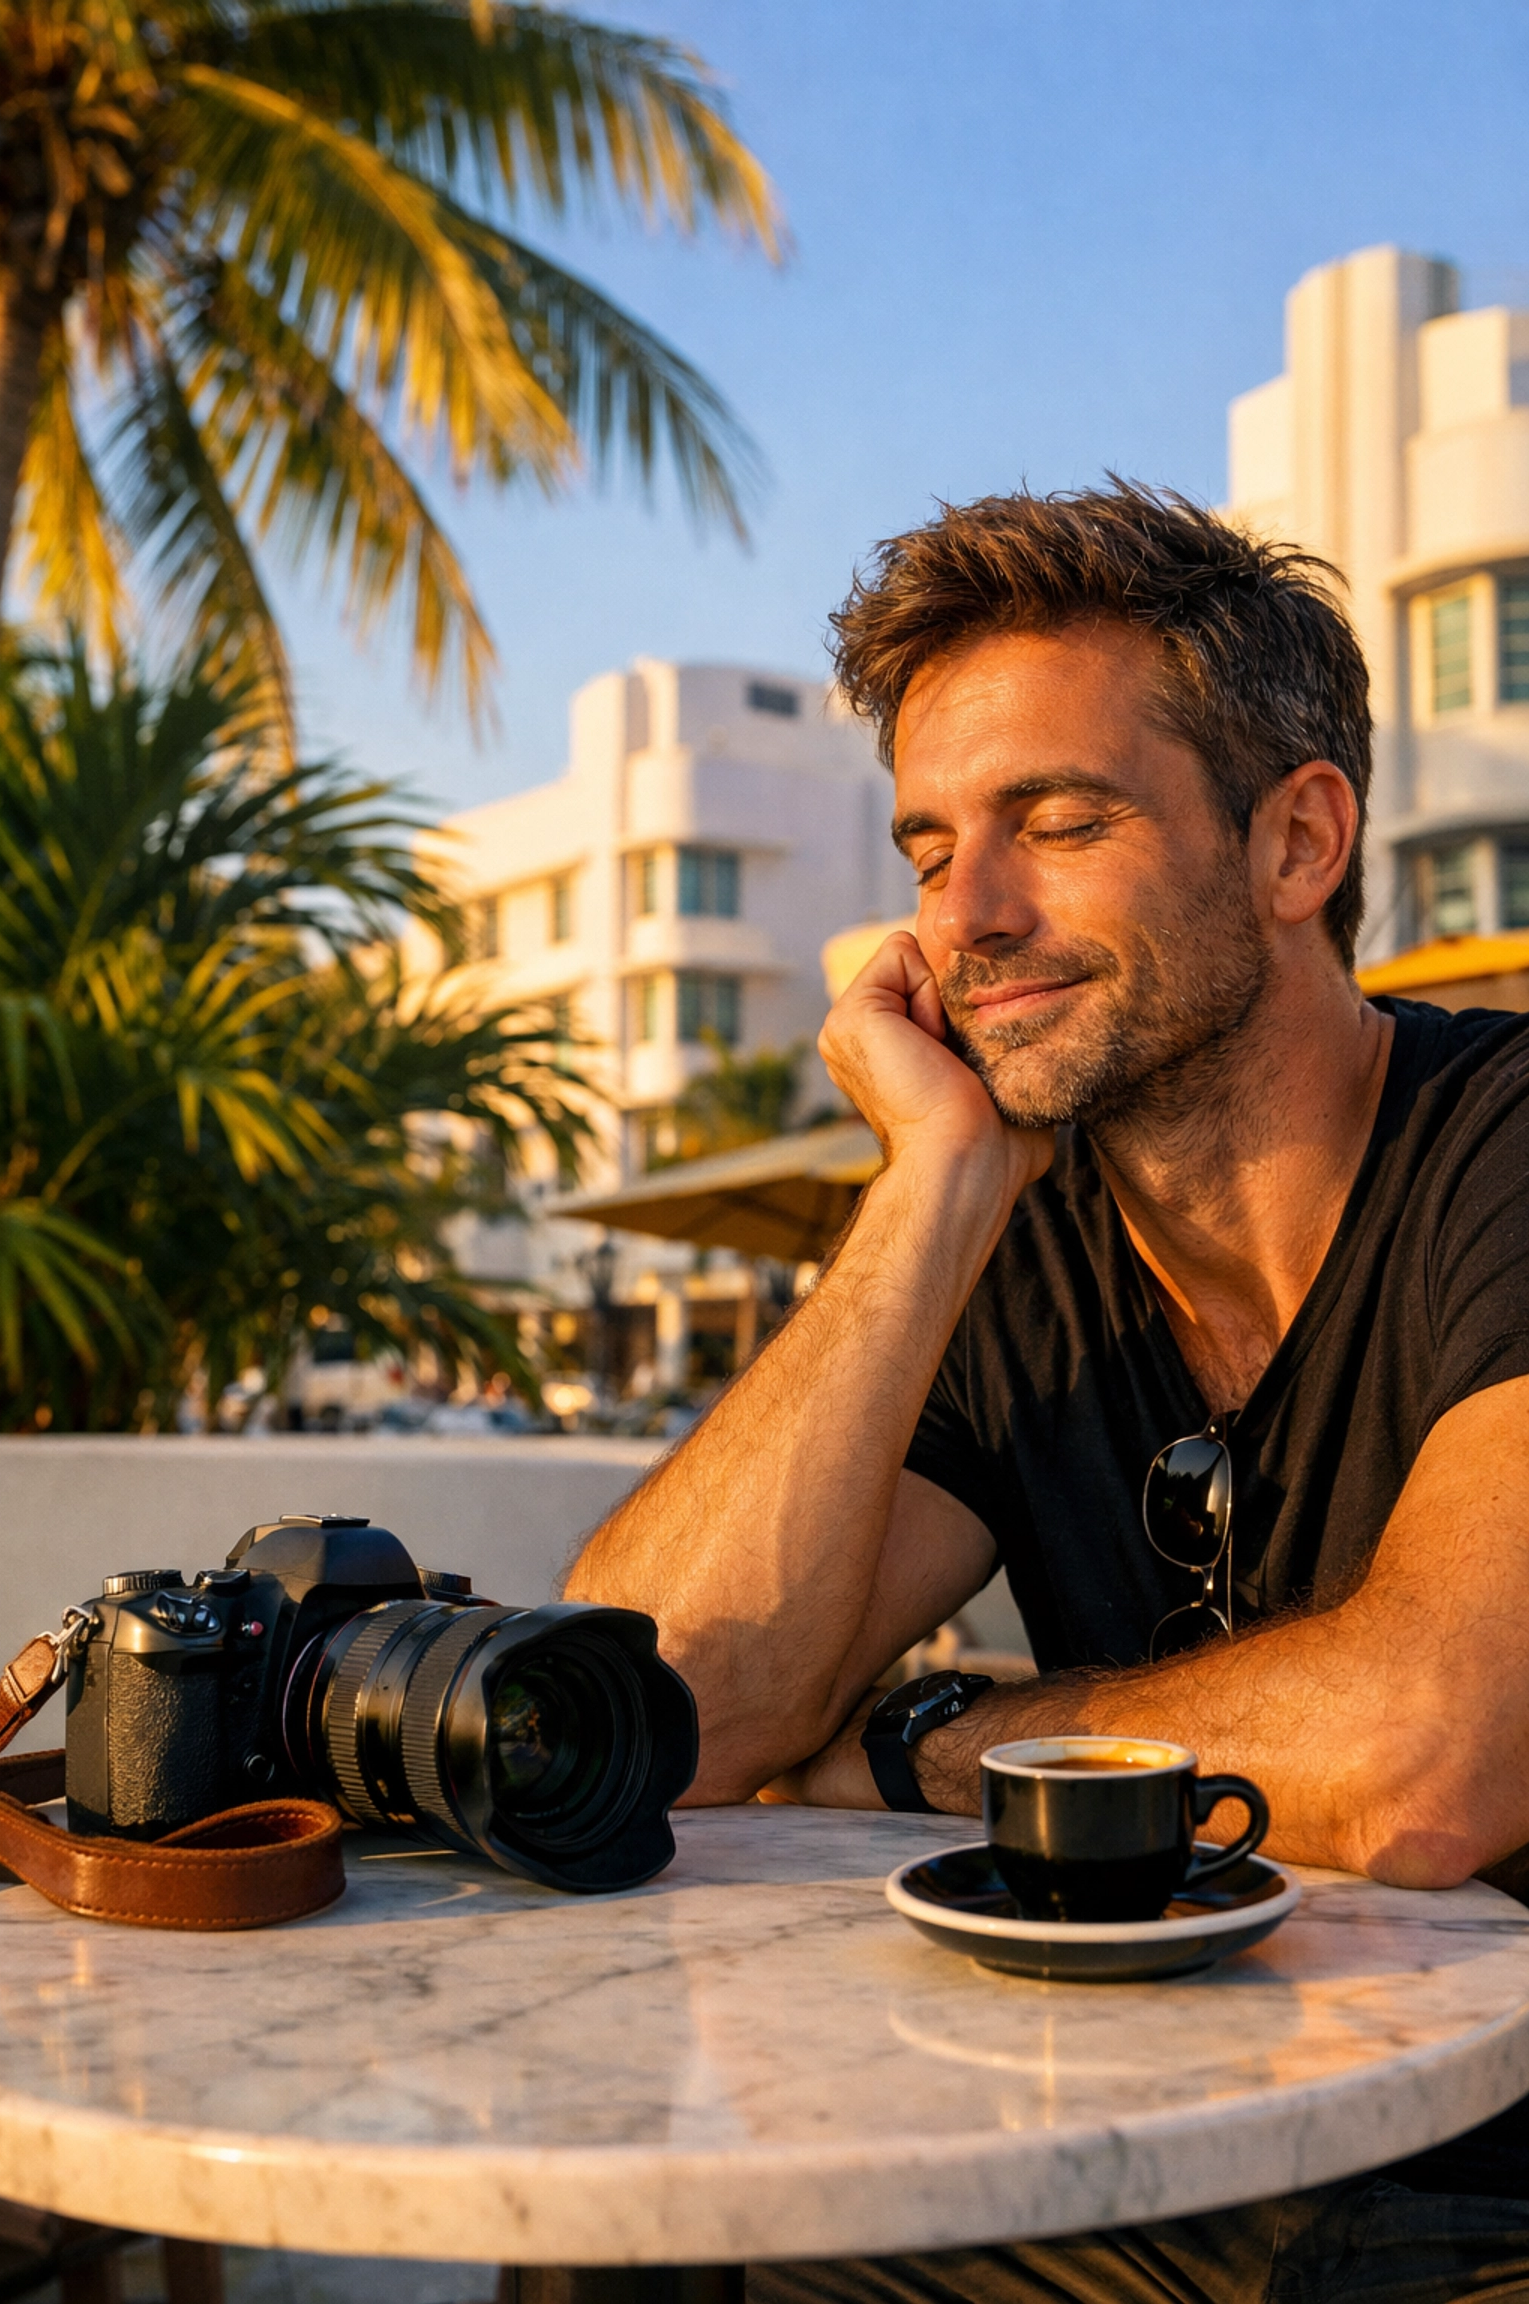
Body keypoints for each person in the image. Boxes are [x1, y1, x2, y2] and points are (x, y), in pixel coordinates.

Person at [565, 482, 1529, 2302]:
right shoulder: (1020, 1247)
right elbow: (651, 1718)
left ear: (1297, 840)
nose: (965, 923)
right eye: (930, 853)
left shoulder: (1501, 1149)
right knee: (656, 2231)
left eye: (1061, 823)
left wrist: (949, 1743)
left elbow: (1428, 1765)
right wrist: (923, 1197)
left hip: (1492, 2170)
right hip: (1147, 2132)